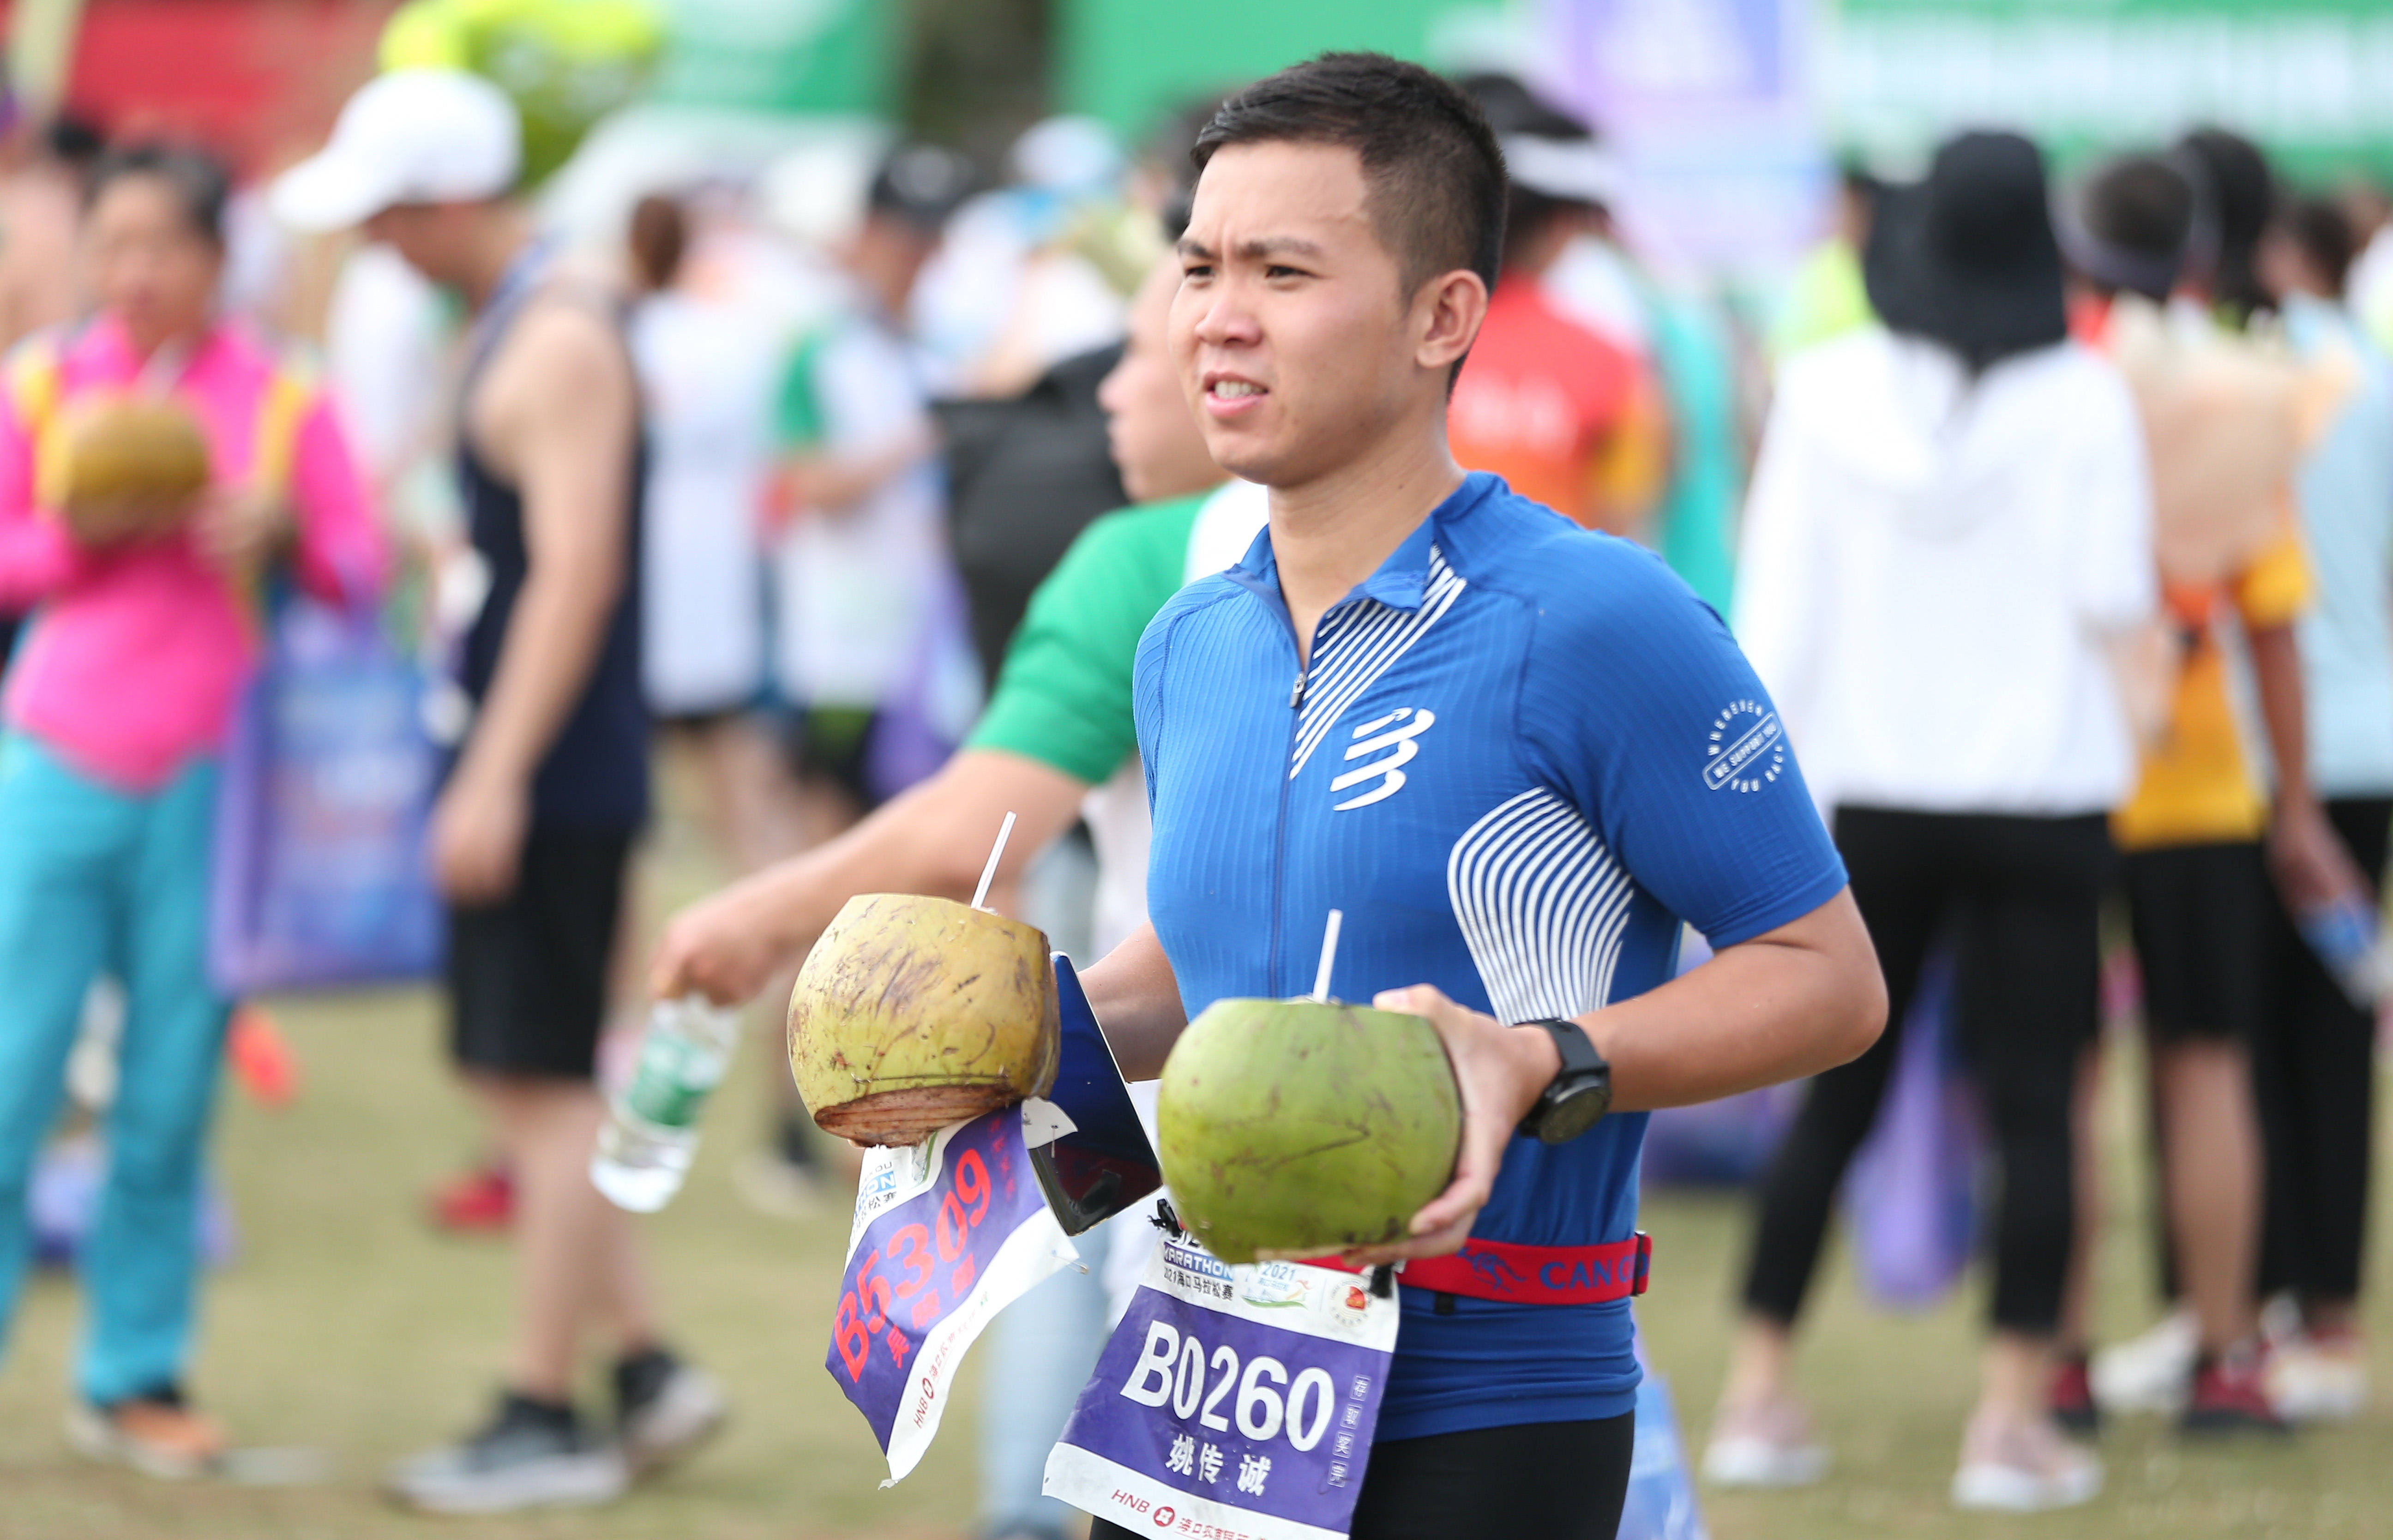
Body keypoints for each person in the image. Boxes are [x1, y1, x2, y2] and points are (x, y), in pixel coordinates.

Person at [1071, 54, 1883, 1539]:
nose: (1218, 315)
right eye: (1197, 266)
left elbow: (1827, 980)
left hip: (1490, 1394)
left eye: (1282, 269)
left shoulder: (1592, 620)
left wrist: (1542, 1060)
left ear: (1445, 313)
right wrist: (1031, 1031)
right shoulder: (1188, 639)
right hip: (1199, 1375)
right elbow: (1224, 962)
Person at [654, 243, 1251, 1540]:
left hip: (1198, 1123)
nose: (1110, 396)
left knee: (1076, 1235)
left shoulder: (1144, 558)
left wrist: (754, 916)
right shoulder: (1496, 560)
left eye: (1138, 360)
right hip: (1439, 1204)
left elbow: (965, 827)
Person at [271, 69, 723, 1510]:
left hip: (551, 770)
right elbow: (518, 551)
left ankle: (548, 1410)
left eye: (394, 214)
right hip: (537, 757)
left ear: (453, 199)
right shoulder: (526, 319)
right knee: (520, 1072)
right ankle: (647, 1368)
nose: (381, 244)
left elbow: (577, 571)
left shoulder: (560, 334)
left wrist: (495, 772)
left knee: (535, 1083)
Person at [1709, 132, 2154, 1512]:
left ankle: (1756, 1389)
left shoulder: (1828, 389)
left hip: (1864, 799)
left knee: (1828, 1098)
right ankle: (2011, 1418)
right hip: (2046, 794)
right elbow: (2118, 597)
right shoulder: (2088, 398)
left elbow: (1773, 612)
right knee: (2039, 1111)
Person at [0, 143, 387, 1475]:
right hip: (53, 763)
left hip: (216, 788)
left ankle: (133, 1376)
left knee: (165, 1098)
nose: (133, 273)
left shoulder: (286, 398)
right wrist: (80, 533)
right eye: (111, 244)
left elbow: (361, 565)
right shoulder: (41, 384)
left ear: (220, 258)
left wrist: (282, 530)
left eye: (161, 244)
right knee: (9, 1081)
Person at [2061, 136, 2357, 1433]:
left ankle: (2056, 1351)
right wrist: (2296, 807)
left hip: (2061, 772)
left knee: (2063, 1073)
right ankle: (2230, 1356)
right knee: (2210, 1064)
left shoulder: (2052, 383)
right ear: (2197, 253)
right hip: (2196, 786)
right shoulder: (2253, 391)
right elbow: (2274, 625)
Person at [2246, 192, 2391, 1421]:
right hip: (2365, 743)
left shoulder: (2249, 376)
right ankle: (2328, 1318)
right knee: (2334, 1042)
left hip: (2262, 751)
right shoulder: (2379, 377)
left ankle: (2257, 1314)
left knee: (2243, 1041)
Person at [1445, 86, 1664, 538]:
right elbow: (1624, 536)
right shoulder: (1612, 363)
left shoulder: (1399, 342)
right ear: (1563, 226)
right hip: (1555, 605)